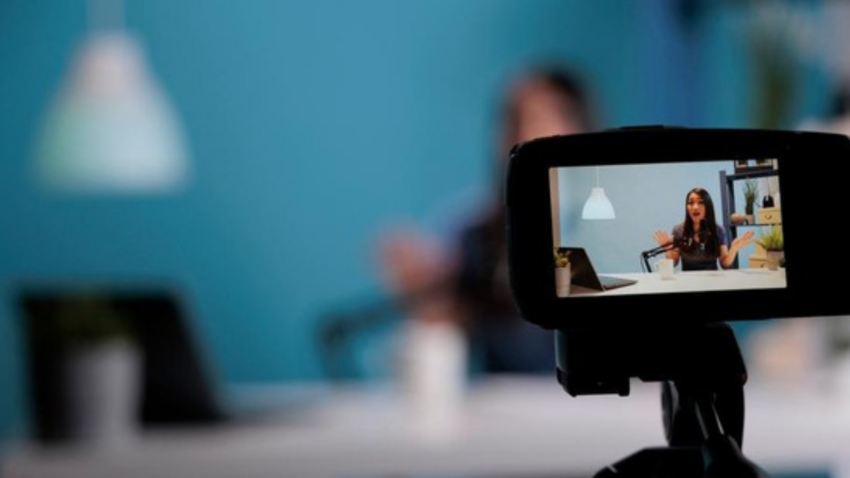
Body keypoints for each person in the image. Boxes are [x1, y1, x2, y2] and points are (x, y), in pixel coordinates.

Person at [377, 65, 597, 374]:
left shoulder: (606, 224)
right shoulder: (470, 229)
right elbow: (445, 331)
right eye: (514, 120)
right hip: (508, 398)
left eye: (544, 117)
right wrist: (422, 290)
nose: (527, 134)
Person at [653, 187, 754, 271]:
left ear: (708, 207)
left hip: (713, 280)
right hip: (688, 281)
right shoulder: (678, 230)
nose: (695, 207)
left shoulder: (718, 230)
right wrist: (667, 248)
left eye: (700, 202)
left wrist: (734, 249)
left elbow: (724, 264)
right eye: (690, 203)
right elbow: (674, 263)